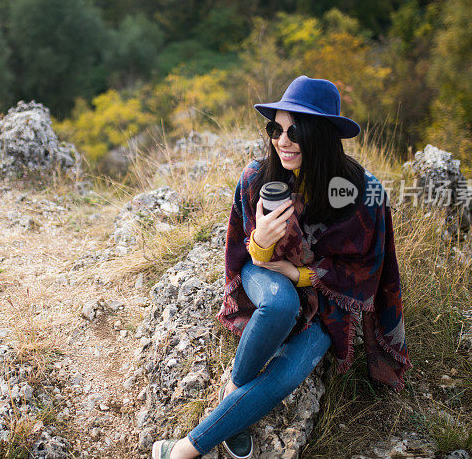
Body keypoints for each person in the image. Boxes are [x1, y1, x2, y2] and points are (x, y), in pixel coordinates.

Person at [152, 76, 412, 459]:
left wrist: (300, 274)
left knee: (290, 373)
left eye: (295, 130)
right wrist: (263, 241)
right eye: (276, 128)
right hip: (264, 273)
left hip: (327, 299)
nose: (282, 140)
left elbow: (364, 270)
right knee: (280, 305)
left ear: (321, 135)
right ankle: (232, 407)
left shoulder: (359, 192)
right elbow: (244, 252)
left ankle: (186, 447)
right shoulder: (258, 178)